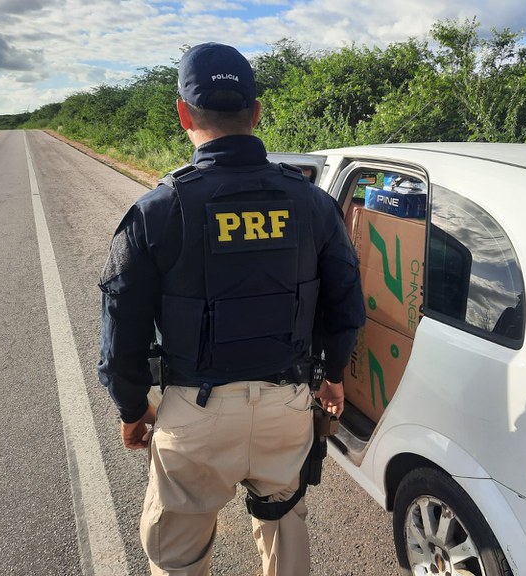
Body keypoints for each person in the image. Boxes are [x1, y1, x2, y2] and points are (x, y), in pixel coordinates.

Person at [97, 42, 365, 576]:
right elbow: (345, 304)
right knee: (286, 536)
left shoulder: (157, 210)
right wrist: (333, 375)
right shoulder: (311, 202)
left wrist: (132, 409)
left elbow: (121, 332)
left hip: (194, 417)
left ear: (182, 114)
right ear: (258, 113)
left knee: (178, 557)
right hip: (287, 410)